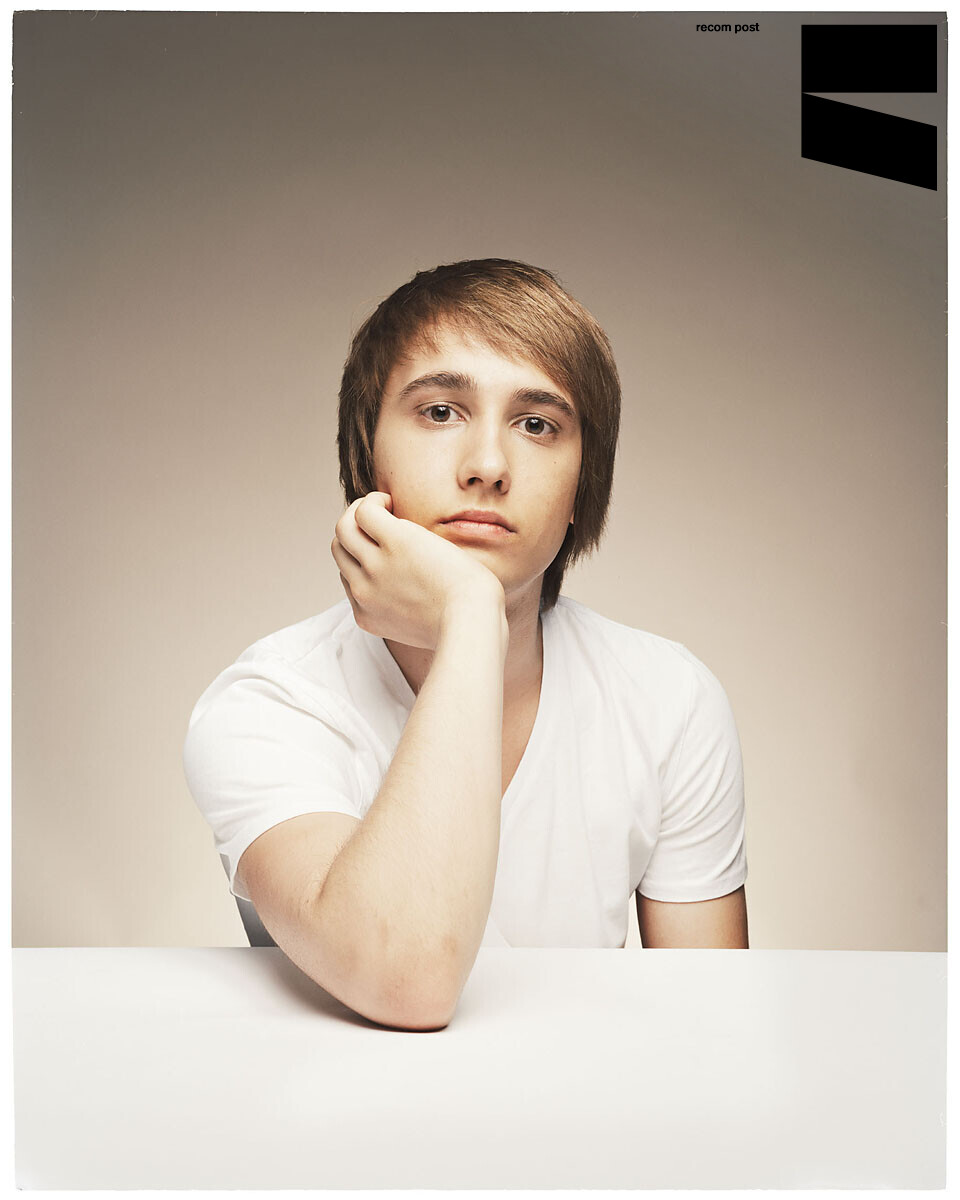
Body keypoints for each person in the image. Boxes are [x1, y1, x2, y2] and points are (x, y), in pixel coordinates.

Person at [183, 259, 748, 1031]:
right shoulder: (270, 703)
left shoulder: (670, 699)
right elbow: (405, 980)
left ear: (582, 487)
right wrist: (473, 616)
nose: (487, 466)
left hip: (583, 1105)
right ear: (366, 455)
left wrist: (466, 613)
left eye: (537, 424)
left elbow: (714, 1028)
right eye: (441, 411)